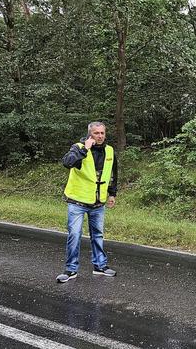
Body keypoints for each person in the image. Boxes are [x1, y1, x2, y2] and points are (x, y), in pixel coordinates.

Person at [56, 121, 118, 283]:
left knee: (97, 235)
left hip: (98, 203)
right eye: (96, 133)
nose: (100, 136)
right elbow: (67, 162)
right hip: (77, 201)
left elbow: (113, 174)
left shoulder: (109, 150)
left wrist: (112, 194)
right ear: (90, 134)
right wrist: (85, 148)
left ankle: (100, 266)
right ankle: (71, 270)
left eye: (102, 133)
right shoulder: (78, 147)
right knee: (75, 235)